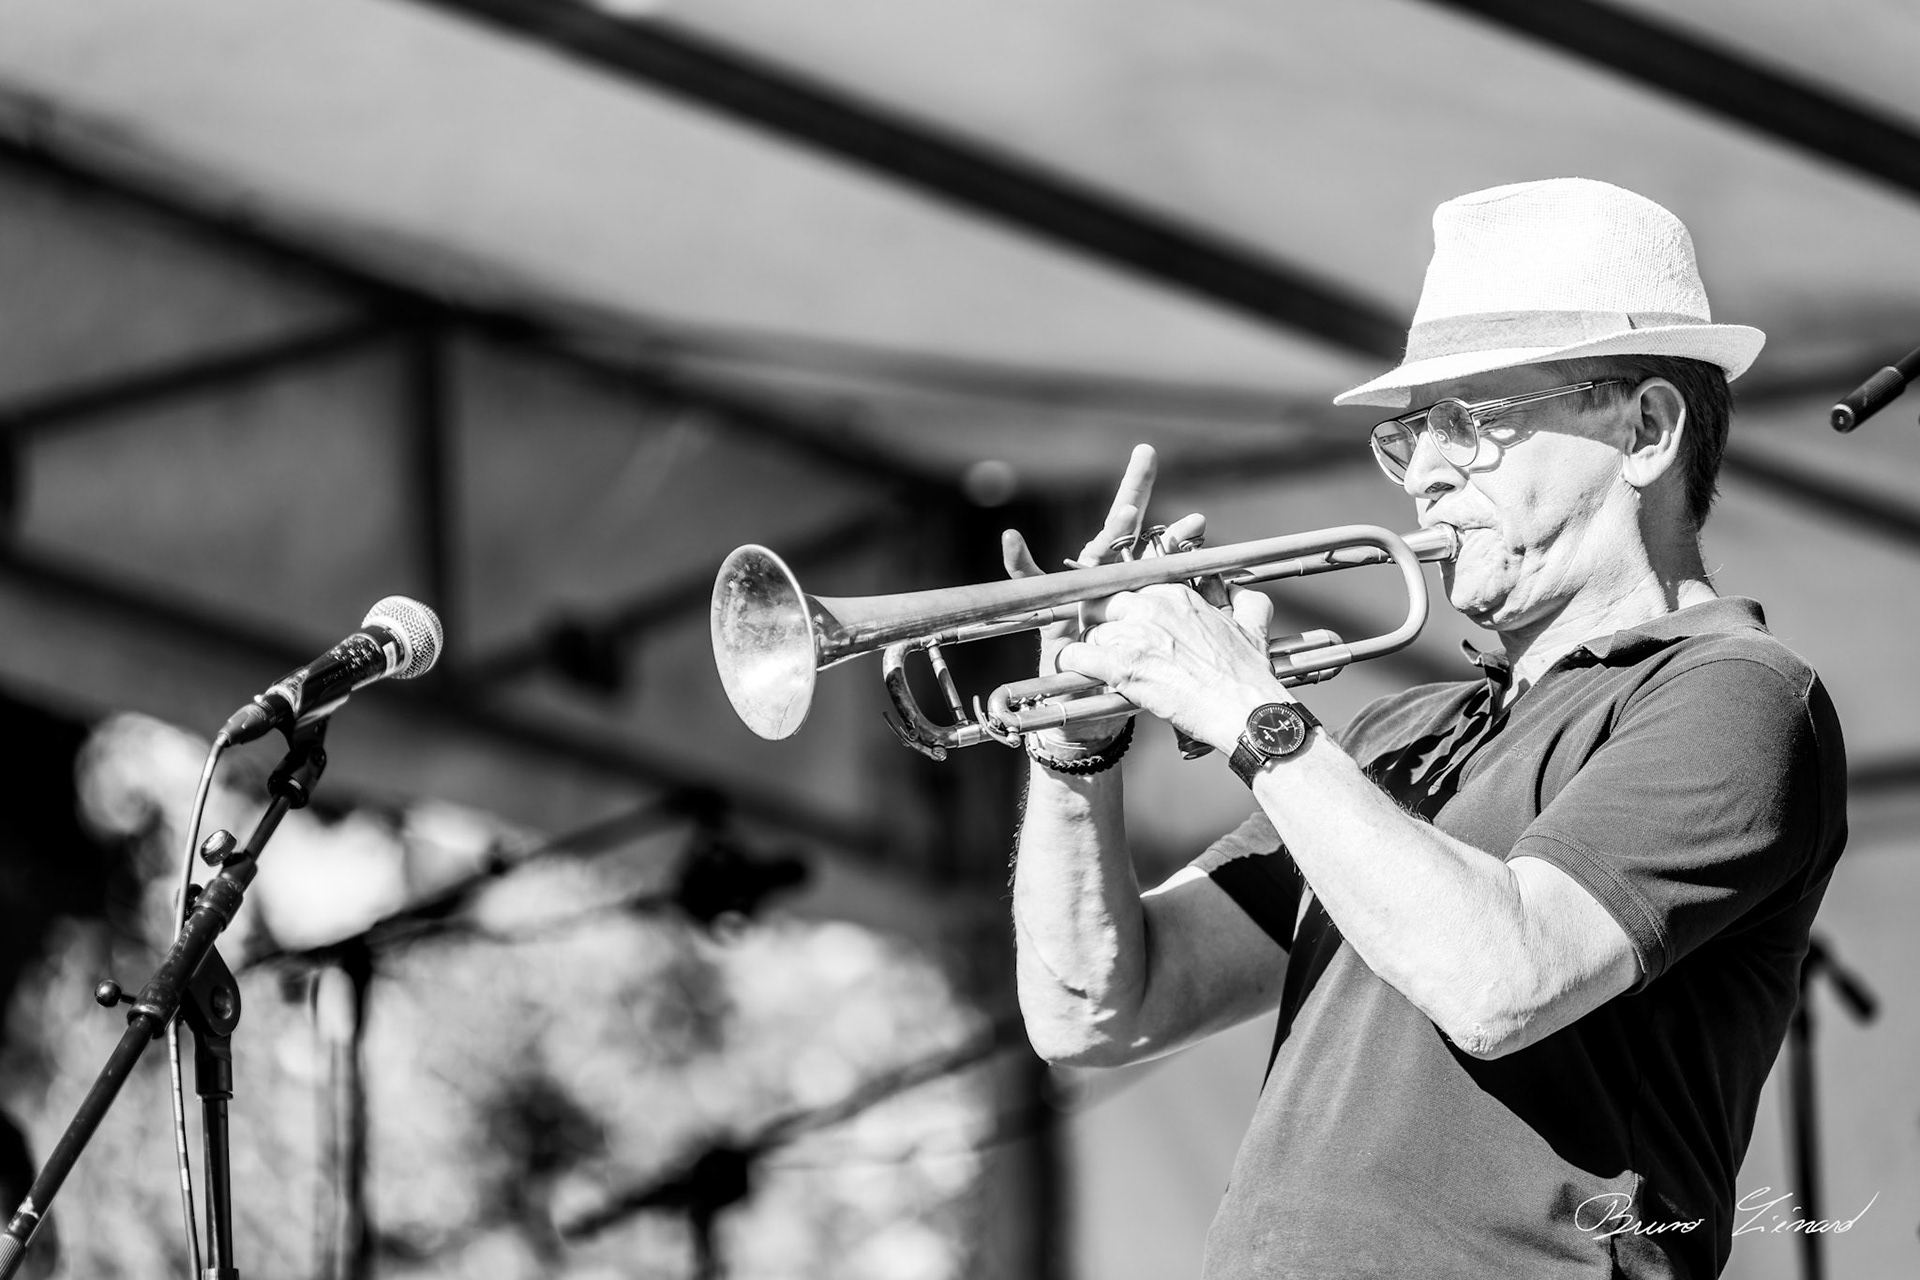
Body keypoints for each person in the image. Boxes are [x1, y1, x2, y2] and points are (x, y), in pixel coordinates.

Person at [1003, 178, 1848, 1279]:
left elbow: (1505, 978)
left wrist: (1250, 710)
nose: (1431, 473)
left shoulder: (1735, 694)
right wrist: (1078, 741)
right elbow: (1099, 1010)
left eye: (1476, 423)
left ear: (1645, 429)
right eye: (1413, 435)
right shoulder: (1404, 729)